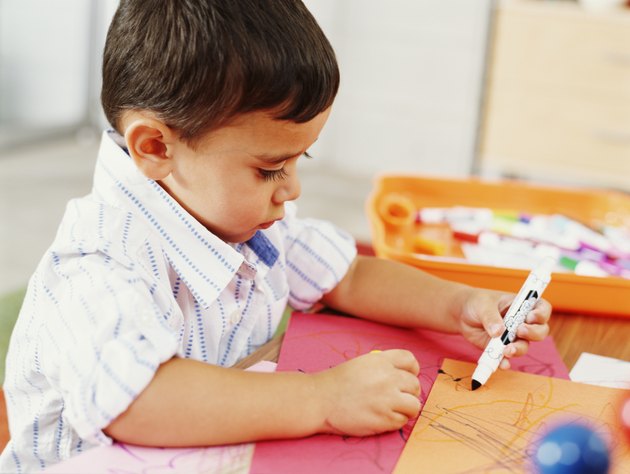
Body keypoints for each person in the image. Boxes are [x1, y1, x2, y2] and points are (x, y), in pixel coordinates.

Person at [0, 0, 551, 471]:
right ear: (156, 148)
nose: (291, 190)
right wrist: (324, 398)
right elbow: (139, 403)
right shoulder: (98, 261)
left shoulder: (225, 211)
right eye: (269, 169)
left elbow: (349, 272)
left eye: (299, 159)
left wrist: (460, 307)